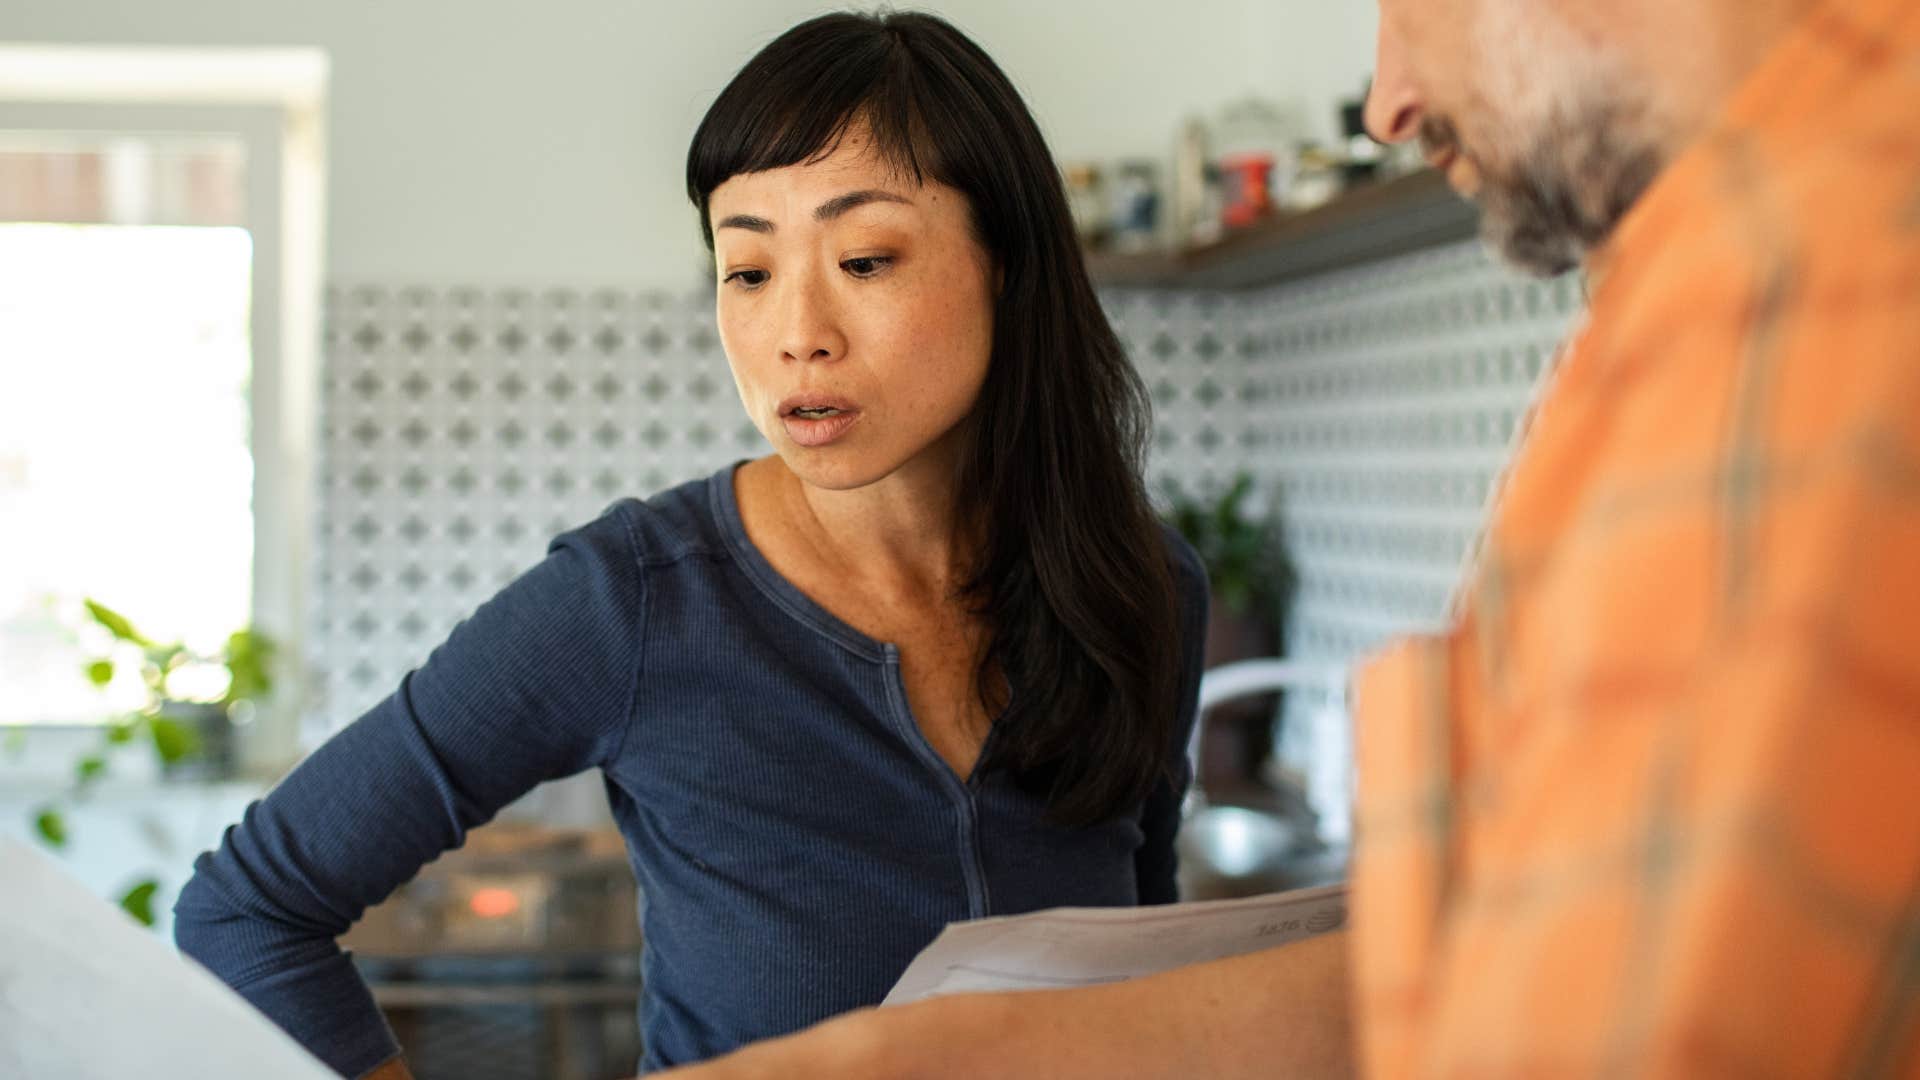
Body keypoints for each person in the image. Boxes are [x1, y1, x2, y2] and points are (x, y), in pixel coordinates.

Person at [659, 0, 1920, 1076]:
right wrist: (914, 1056)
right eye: (747, 269)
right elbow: (1531, 965)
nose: (1388, 102)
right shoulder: (1707, 284)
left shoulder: (1820, 282)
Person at [172, 12, 1210, 1078]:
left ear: (1009, 265)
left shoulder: (1146, 590)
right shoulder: (634, 599)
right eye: (748, 270)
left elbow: (1154, 967)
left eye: (863, 257)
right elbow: (245, 914)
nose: (797, 331)